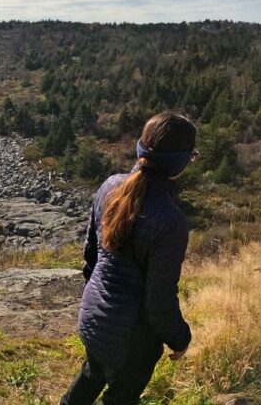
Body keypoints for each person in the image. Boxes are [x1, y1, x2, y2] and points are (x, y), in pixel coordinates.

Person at [60, 111, 198, 405]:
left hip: (93, 317)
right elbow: (158, 300)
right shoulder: (170, 221)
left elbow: (91, 258)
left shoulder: (110, 186)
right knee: (121, 397)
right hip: (131, 340)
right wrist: (180, 339)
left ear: (141, 147)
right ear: (181, 162)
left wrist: (97, 305)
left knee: (92, 372)